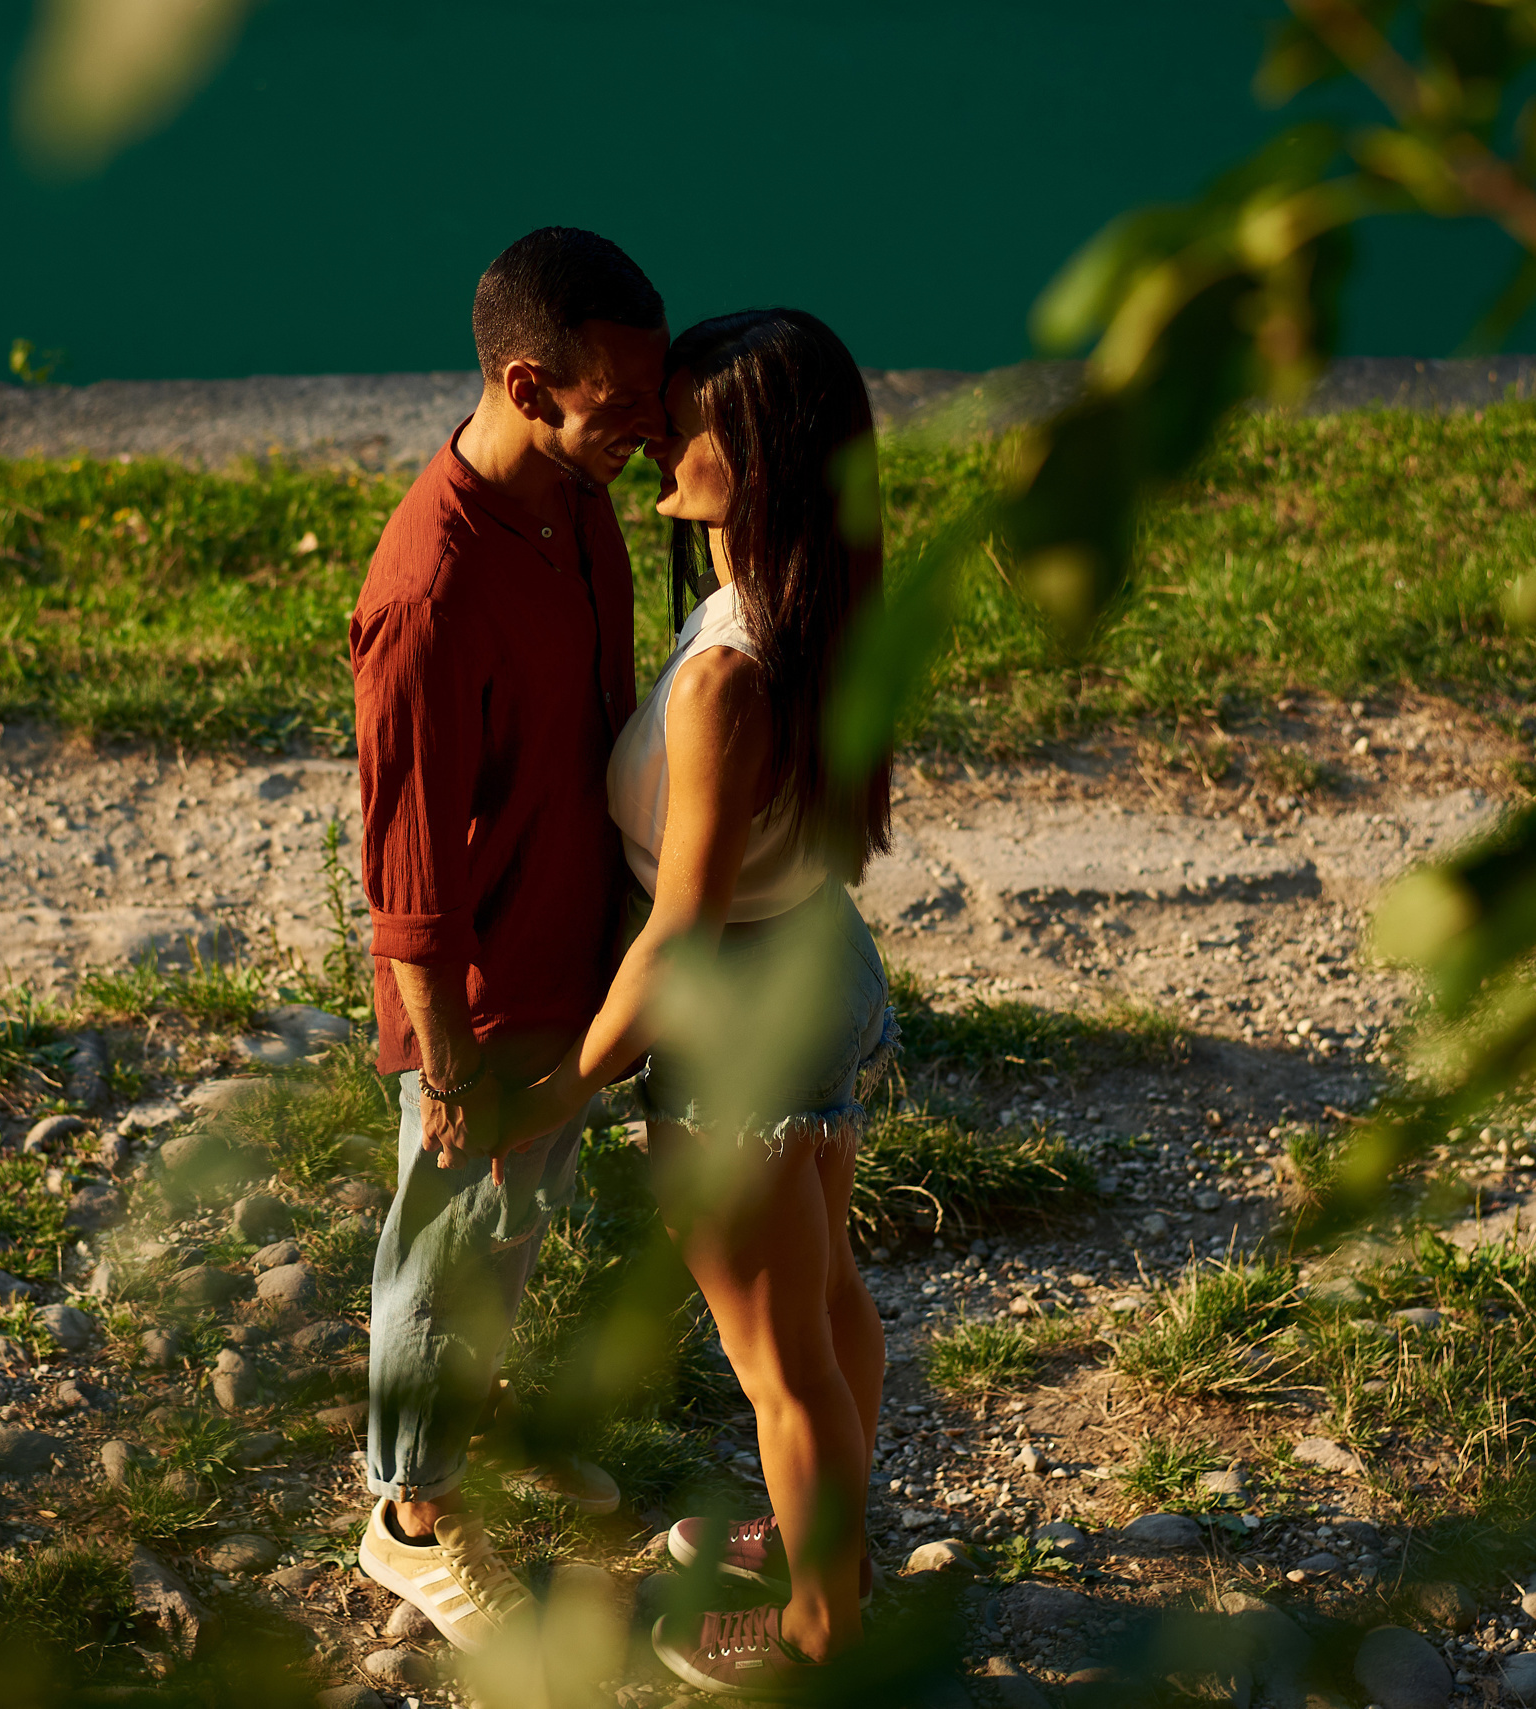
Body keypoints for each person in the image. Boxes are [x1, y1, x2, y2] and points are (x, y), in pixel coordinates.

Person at [500, 307, 899, 1694]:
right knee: (827, 1298)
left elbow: (675, 936)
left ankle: (820, 1634)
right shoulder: (810, 607)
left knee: (775, 1363)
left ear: (767, 456)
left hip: (736, 1014)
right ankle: (827, 1555)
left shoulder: (727, 673)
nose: (660, 434)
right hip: (819, 960)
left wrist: (563, 1084)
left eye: (688, 418)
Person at [347, 226, 668, 1648]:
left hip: (575, 949)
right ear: (530, 383)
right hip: (486, 996)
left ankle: (467, 1437)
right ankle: (408, 1516)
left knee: (513, 1234)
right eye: (622, 413)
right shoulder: (429, 591)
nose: (645, 438)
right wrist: (455, 1070)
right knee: (446, 1249)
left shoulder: (573, 503)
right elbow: (406, 874)